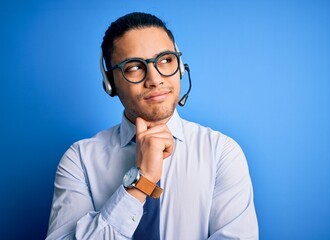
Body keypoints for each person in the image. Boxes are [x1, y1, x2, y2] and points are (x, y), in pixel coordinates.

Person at [46, 12, 258, 240]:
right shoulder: (79, 159)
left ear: (181, 67)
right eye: (134, 67)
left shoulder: (221, 152)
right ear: (110, 83)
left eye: (166, 60)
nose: (155, 79)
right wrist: (141, 181)